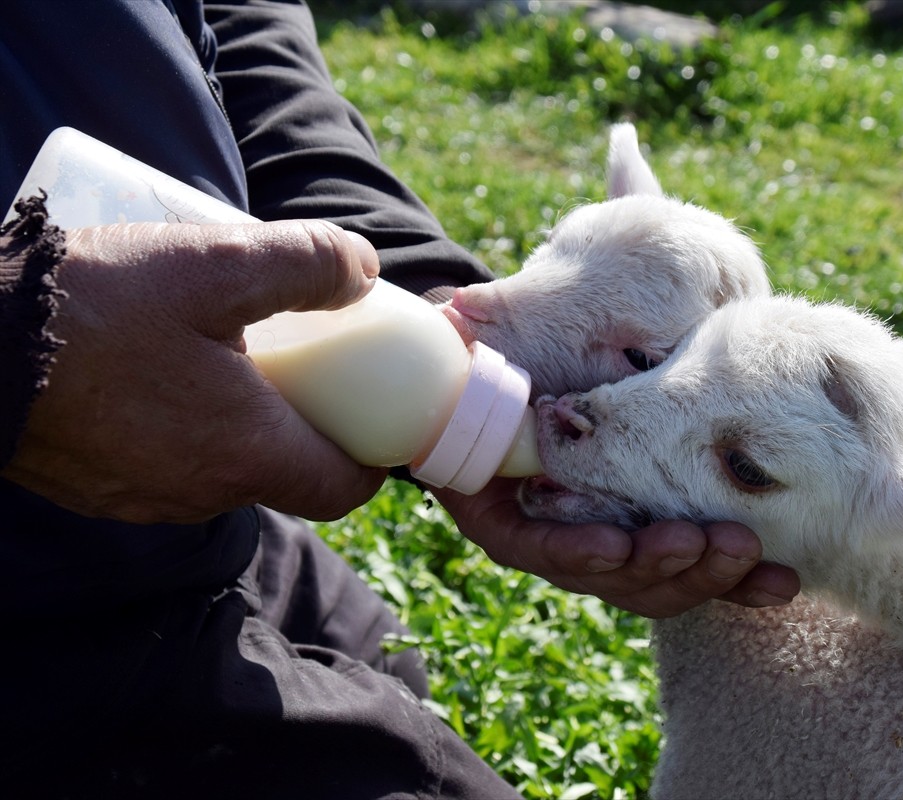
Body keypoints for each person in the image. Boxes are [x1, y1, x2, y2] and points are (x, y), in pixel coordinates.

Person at [0, 1, 800, 796]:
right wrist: (14, 346)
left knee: (398, 665)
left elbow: (229, 27)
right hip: (34, 605)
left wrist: (417, 289)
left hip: (196, 515)